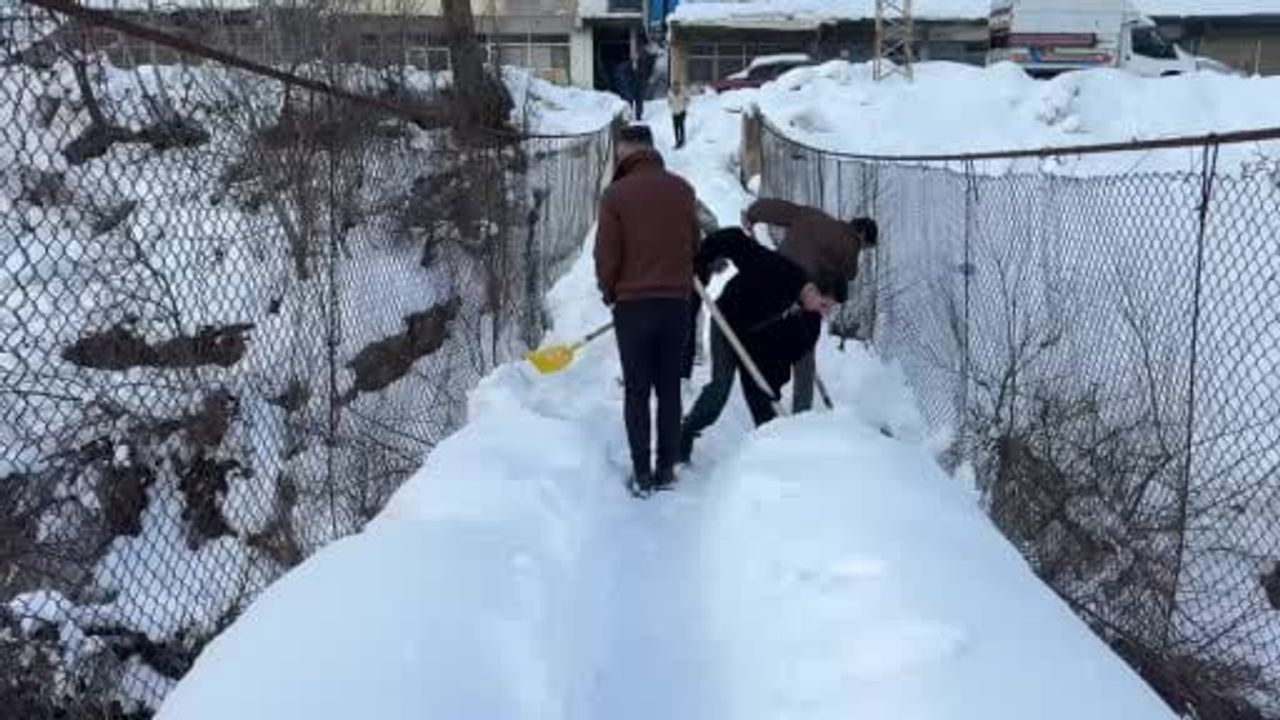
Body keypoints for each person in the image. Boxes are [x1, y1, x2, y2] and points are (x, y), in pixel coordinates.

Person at [595, 124, 699, 494]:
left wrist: (610, 292)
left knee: (637, 391)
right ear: (652, 150)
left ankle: (642, 473)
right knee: (669, 388)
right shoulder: (683, 190)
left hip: (633, 307)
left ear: (624, 151)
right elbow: (694, 243)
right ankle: (666, 469)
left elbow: (606, 255)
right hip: (676, 305)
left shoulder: (615, 195)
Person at [679, 227, 841, 463]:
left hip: (754, 340)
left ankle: (771, 465)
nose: (824, 314)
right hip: (726, 322)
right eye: (824, 305)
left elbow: (790, 349)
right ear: (814, 290)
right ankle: (684, 435)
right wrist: (702, 259)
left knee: (763, 401)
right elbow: (736, 240)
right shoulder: (779, 271)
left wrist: (770, 386)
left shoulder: (810, 316)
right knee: (720, 388)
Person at [742, 199, 878, 412]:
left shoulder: (812, 215)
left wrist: (752, 213)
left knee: (769, 333)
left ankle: (762, 389)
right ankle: (801, 413)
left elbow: (777, 209)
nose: (862, 251)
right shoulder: (851, 245)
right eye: (866, 247)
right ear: (861, 235)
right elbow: (848, 277)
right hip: (803, 291)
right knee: (803, 351)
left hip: (775, 275)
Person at [668, 81, 690, 149]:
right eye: (674, 86)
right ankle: (677, 141)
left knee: (681, 126)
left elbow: (688, 100)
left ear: (679, 86)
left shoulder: (683, 91)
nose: (675, 88)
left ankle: (682, 140)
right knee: (675, 127)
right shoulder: (670, 92)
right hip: (674, 112)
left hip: (681, 111)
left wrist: (684, 107)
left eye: (677, 86)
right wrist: (671, 107)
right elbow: (669, 101)